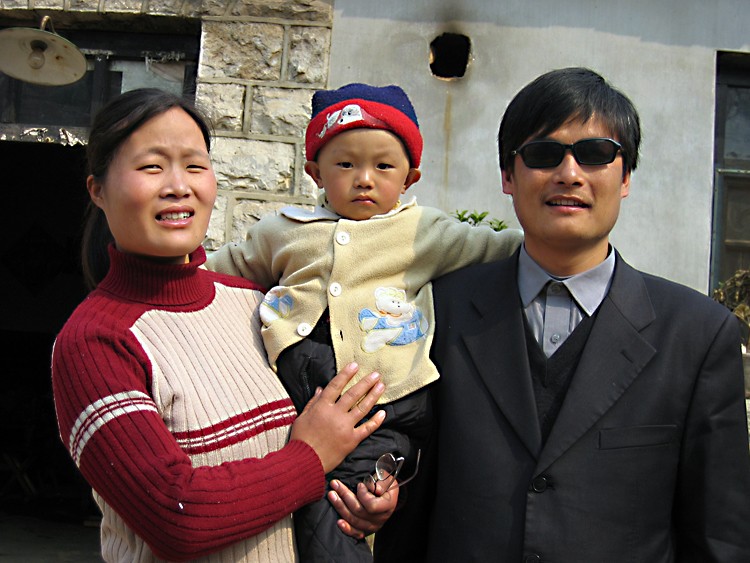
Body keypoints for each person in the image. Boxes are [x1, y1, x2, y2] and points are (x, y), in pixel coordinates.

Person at [390, 67, 750, 562]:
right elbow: (409, 512)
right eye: (542, 154)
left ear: (625, 177)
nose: (569, 174)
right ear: (507, 177)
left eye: (595, 154)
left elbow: (720, 536)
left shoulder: (698, 335)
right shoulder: (439, 310)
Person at [51, 88, 397, 563]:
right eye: (152, 166)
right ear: (98, 189)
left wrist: (359, 497)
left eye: (194, 165)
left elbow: (321, 440)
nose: (179, 186)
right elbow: (179, 517)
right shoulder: (96, 343)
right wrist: (312, 457)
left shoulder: (254, 303)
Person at [205, 82, 523, 561]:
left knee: (338, 511)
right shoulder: (282, 231)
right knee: (285, 503)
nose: (364, 179)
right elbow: (219, 269)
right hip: (299, 394)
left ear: (410, 177)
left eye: (383, 166)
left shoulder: (425, 232)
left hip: (386, 405)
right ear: (315, 172)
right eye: (345, 164)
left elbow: (498, 247)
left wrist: (560, 242)